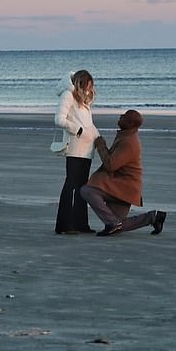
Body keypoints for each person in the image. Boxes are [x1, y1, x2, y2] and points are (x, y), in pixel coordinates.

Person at [80, 110, 167, 236]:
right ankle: (153, 217)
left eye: (124, 116)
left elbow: (111, 165)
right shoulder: (126, 135)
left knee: (87, 191)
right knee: (117, 224)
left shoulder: (130, 142)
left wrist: (101, 145)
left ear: (130, 123)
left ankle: (113, 224)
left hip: (123, 187)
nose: (120, 116)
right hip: (121, 186)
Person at [54, 70, 100, 234]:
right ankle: (63, 225)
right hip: (74, 148)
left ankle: (81, 224)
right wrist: (78, 131)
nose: (90, 90)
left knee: (83, 187)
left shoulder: (85, 100)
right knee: (70, 185)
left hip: (87, 150)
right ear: (81, 83)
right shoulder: (68, 95)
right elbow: (59, 119)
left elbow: (89, 123)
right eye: (87, 86)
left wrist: (97, 137)